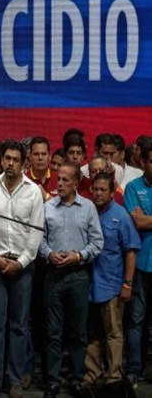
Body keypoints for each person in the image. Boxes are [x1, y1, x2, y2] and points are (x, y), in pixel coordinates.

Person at [0, 141, 44, 398]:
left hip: (22, 267)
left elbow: (36, 232)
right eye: (7, 158)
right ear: (0, 160)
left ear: (23, 163)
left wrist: (22, 262)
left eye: (16, 160)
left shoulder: (34, 192)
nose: (11, 163)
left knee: (19, 326)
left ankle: (15, 380)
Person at [39, 162, 104, 398]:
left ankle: (76, 379)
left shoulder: (88, 208)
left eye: (66, 180)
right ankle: (53, 381)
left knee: (78, 332)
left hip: (78, 276)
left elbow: (97, 242)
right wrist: (49, 254)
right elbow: (39, 240)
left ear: (76, 183)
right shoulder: (47, 207)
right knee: (53, 332)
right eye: (58, 179)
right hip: (54, 275)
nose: (60, 183)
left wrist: (78, 256)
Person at [83, 172, 140, 387]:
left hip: (112, 286)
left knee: (113, 334)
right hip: (89, 284)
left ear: (112, 192)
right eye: (95, 189)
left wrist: (127, 284)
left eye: (103, 190)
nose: (98, 193)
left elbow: (131, 252)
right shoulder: (87, 211)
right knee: (91, 333)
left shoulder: (121, 216)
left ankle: (114, 377)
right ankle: (93, 372)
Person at [123, 141, 152, 388]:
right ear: (143, 162)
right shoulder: (133, 187)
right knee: (136, 320)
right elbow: (138, 223)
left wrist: (146, 217)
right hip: (141, 264)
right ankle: (134, 368)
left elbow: (144, 220)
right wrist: (142, 220)